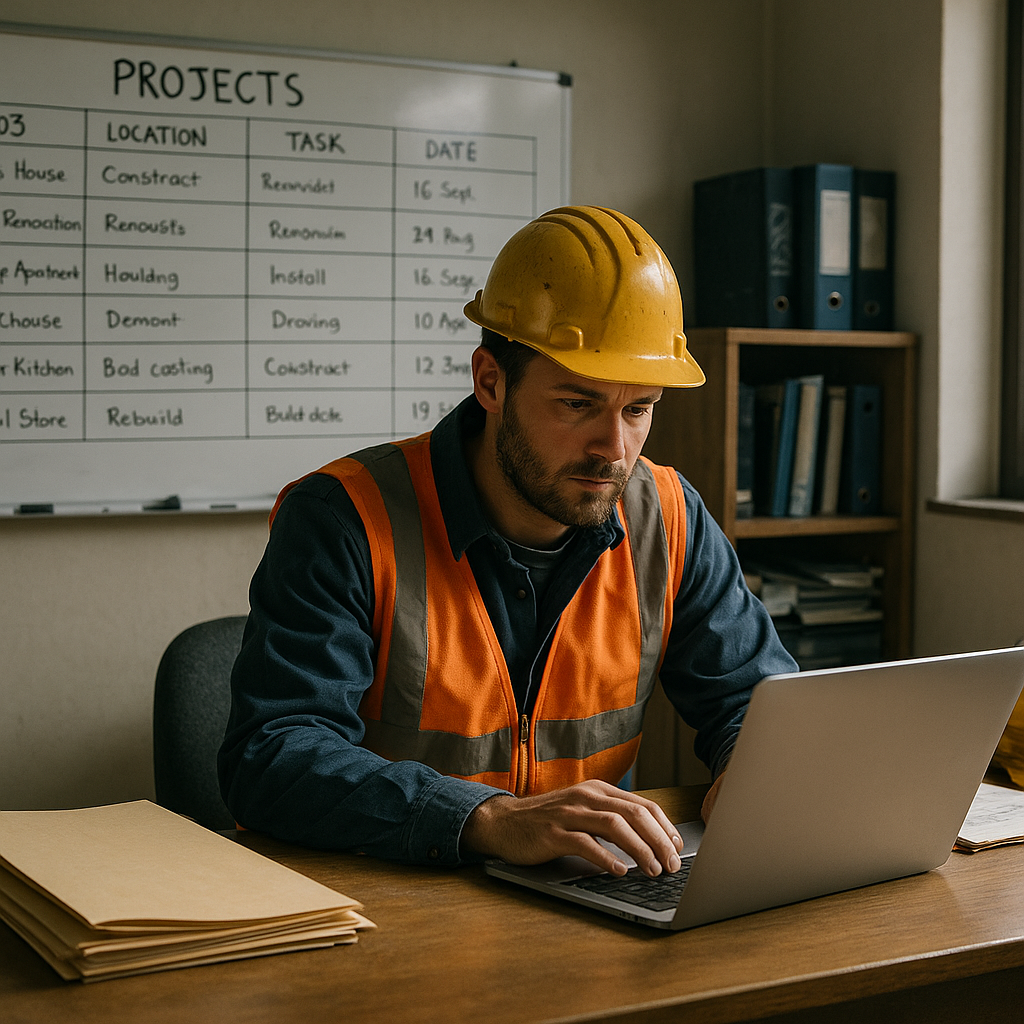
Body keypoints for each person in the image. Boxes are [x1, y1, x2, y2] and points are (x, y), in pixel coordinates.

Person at [219, 205, 796, 880]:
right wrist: (485, 818)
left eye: (638, 408)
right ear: (490, 381)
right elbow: (273, 755)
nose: (615, 449)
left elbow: (759, 703)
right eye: (577, 404)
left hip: (591, 899)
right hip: (391, 906)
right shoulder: (345, 517)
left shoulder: (670, 518)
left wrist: (756, 770)